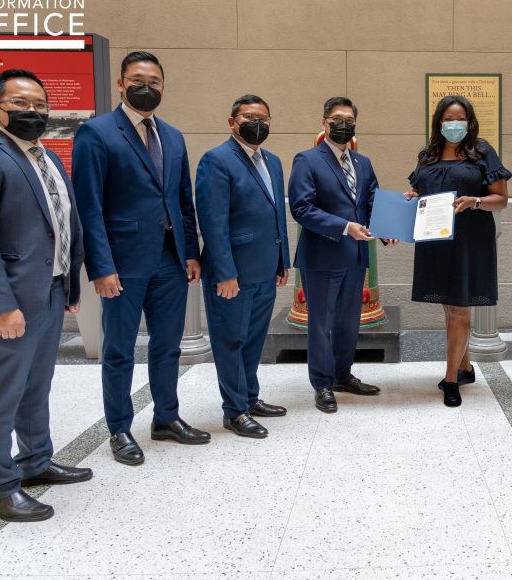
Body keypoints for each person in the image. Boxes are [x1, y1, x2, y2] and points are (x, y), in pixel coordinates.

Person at [0, 69, 90, 521]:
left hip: (47, 295)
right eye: (21, 104)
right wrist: (2, 306)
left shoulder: (48, 158)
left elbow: (60, 225)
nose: (33, 112)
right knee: (0, 395)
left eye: (39, 105)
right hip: (5, 304)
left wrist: (67, 284)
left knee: (36, 387)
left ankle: (34, 462)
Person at [73, 51, 208, 465]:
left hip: (170, 261)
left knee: (168, 346)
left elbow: (183, 200)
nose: (145, 86)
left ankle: (166, 418)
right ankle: (119, 429)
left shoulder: (173, 135)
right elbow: (88, 206)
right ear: (120, 83)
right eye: (136, 79)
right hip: (122, 264)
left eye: (154, 80)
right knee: (119, 349)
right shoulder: (96, 133)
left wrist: (190, 252)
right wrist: (101, 266)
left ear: (163, 86)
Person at [195, 95, 291, 438]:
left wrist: (283, 261)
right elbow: (212, 221)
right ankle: (234, 411)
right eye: (250, 117)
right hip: (233, 273)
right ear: (232, 121)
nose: (258, 124)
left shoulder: (273, 161)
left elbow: (277, 213)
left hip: (266, 268)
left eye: (264, 118)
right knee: (231, 340)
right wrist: (224, 272)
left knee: (253, 339)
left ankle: (250, 398)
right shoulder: (216, 160)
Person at [407, 95, 511, 407]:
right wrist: (412, 196)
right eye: (448, 119)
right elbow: (421, 190)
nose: (454, 125)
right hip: (436, 239)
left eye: (460, 119)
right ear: (439, 122)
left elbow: (501, 198)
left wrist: (475, 201)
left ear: (469, 122)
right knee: (450, 305)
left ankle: (451, 379)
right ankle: (465, 366)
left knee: (459, 308)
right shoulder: (427, 155)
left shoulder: (481, 152)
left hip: (470, 239)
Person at [288, 97, 382, 413]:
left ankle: (343, 375)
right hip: (323, 256)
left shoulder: (363, 163)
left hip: (355, 256)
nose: (343, 124)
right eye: (336, 118)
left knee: (347, 322)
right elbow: (302, 208)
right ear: (324, 122)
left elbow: (372, 205)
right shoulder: (307, 160)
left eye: (349, 119)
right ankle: (322, 384)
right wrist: (344, 226)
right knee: (321, 323)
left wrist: (389, 228)